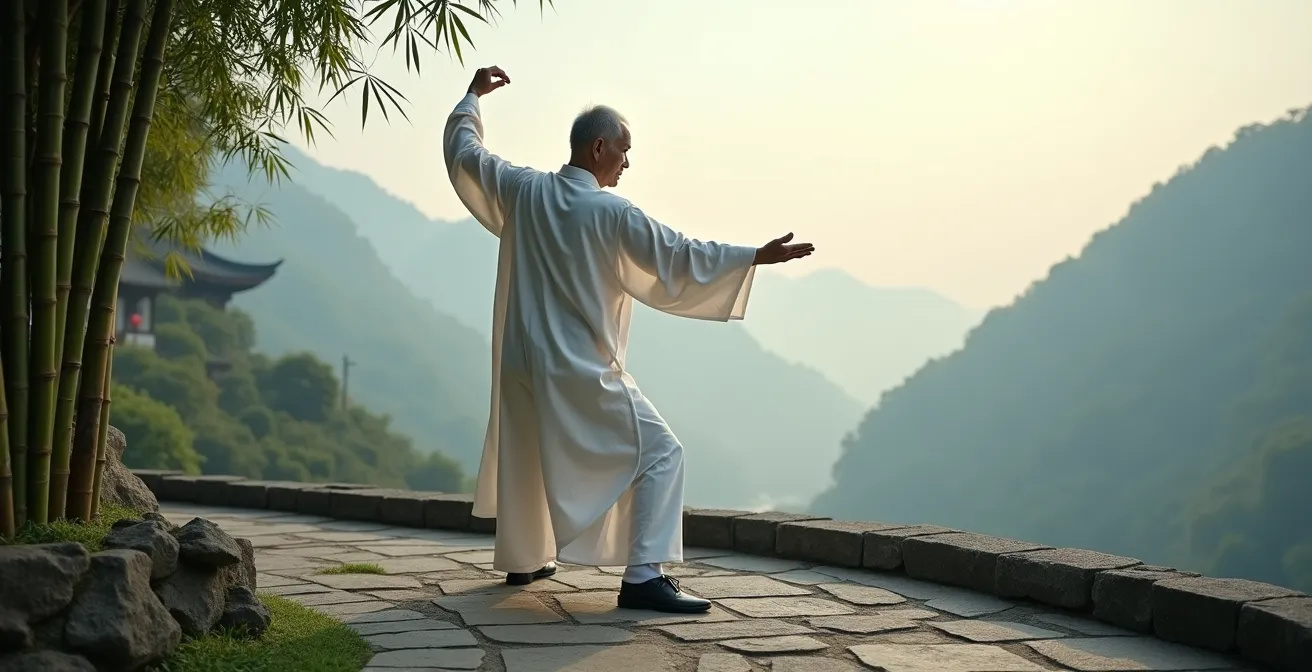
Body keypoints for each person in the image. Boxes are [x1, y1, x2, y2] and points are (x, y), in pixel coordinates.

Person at [442, 65, 814, 614]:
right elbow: (679, 255)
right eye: (623, 150)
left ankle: (524, 559)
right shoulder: (611, 212)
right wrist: (753, 256)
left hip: (522, 358)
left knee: (527, 450)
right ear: (598, 148)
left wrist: (473, 97)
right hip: (578, 366)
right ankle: (643, 577)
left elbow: (464, 151)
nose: (627, 162)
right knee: (662, 452)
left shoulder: (522, 190)